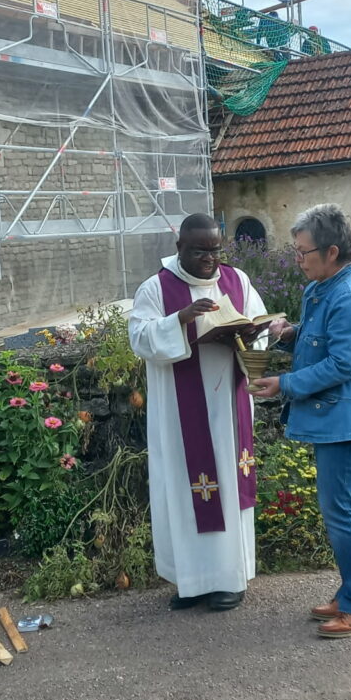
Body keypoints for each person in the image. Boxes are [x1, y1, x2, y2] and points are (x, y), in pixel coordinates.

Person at [253, 204, 351, 638]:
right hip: (340, 416)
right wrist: (291, 332)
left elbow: (342, 364)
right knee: (348, 509)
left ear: (331, 251)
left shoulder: (349, 293)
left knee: (342, 512)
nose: (298, 259)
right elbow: (326, 335)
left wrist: (285, 383)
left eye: (303, 252)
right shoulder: (328, 285)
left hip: (347, 417)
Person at [128, 213, 267, 612]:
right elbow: (140, 338)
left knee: (225, 483)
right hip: (180, 411)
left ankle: (229, 579)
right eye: (200, 251)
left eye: (215, 250)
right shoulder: (156, 288)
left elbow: (256, 324)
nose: (210, 259)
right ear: (179, 248)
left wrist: (251, 335)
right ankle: (193, 582)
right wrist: (181, 320)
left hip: (228, 403)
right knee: (185, 489)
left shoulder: (237, 281)